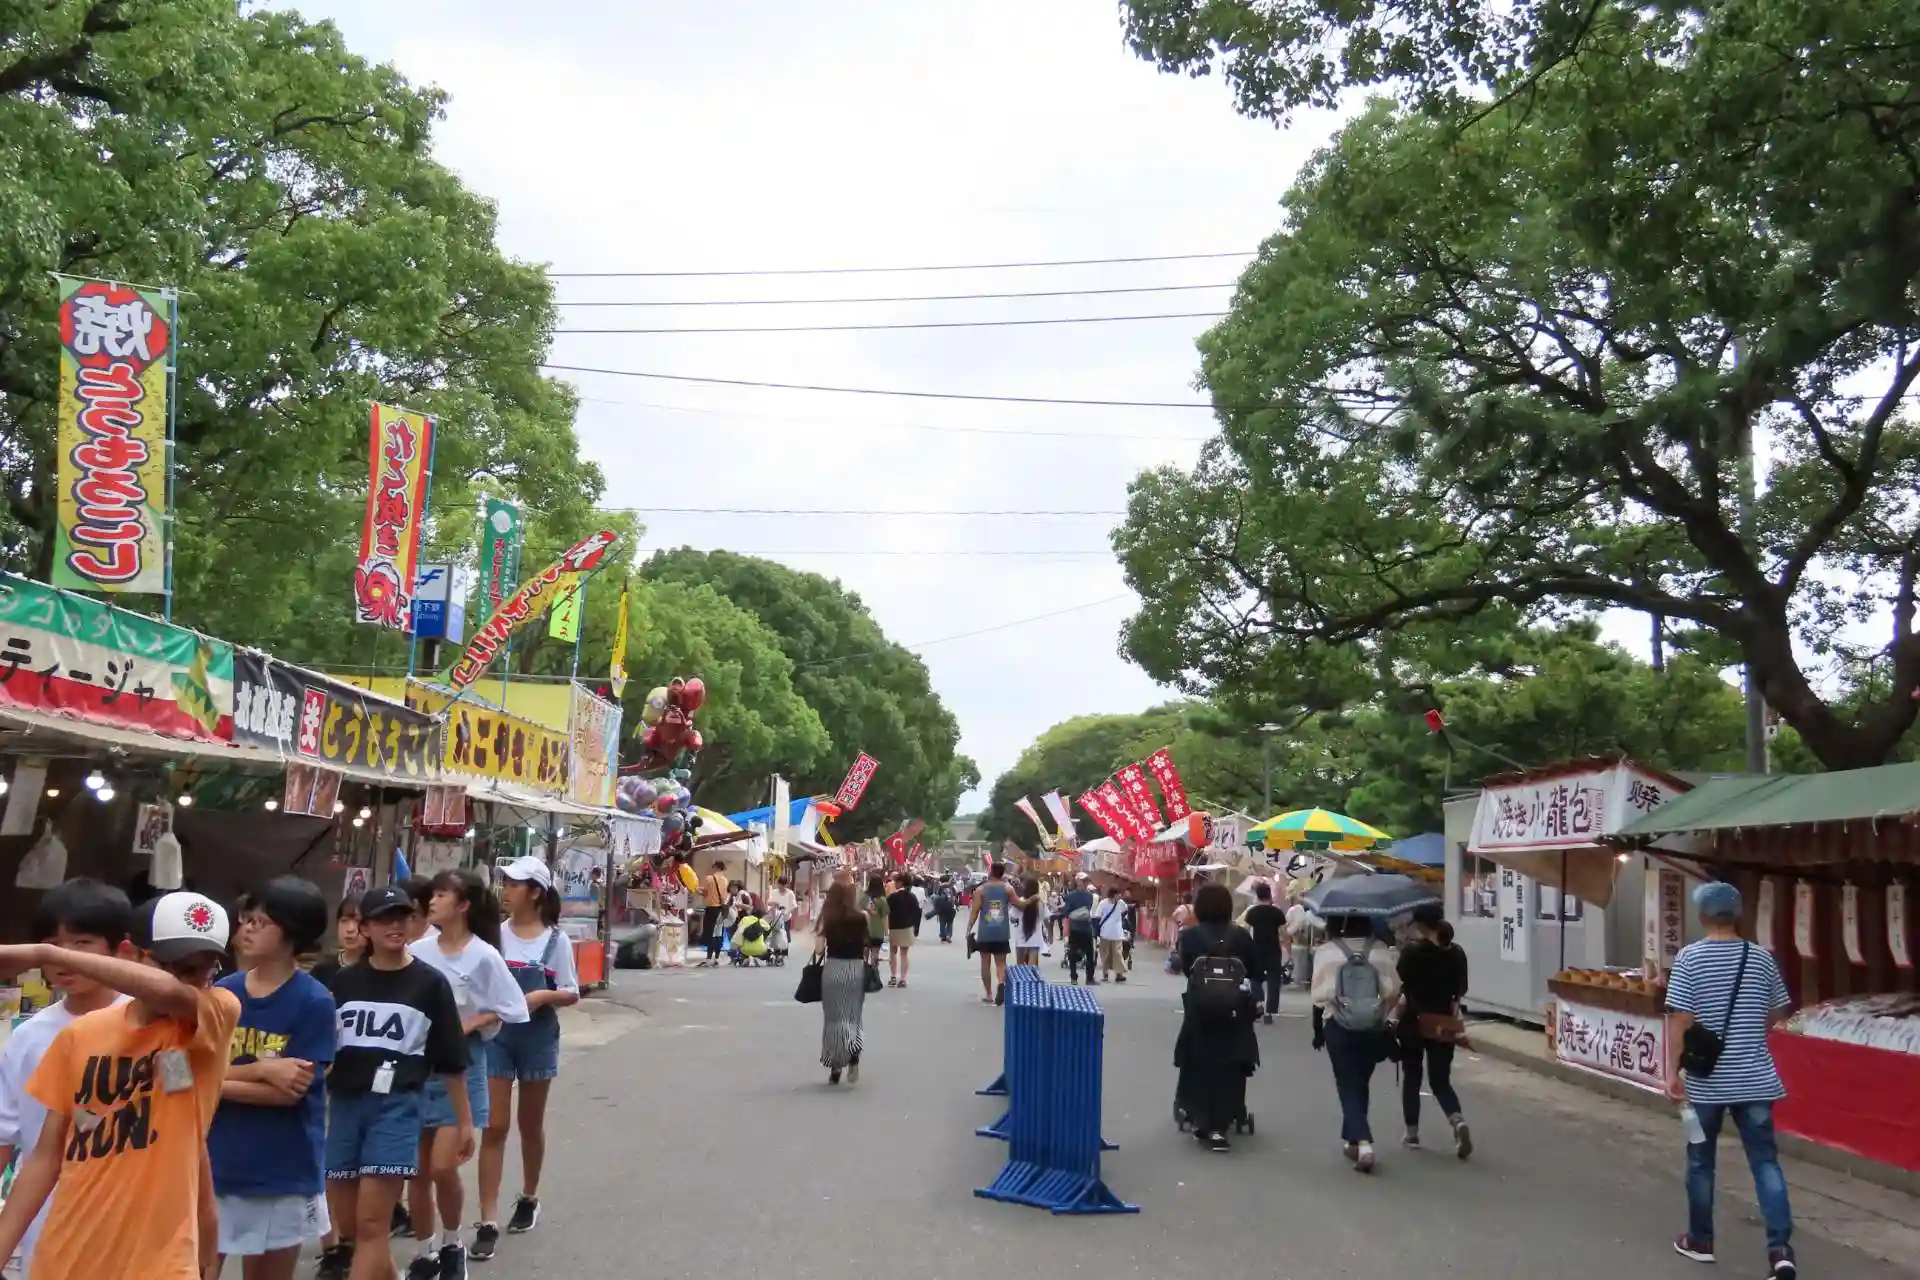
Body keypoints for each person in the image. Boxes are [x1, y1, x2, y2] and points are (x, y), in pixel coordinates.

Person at [0, 890, 242, 1280]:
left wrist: (49, 954)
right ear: (133, 955)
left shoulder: (215, 1012)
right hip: (64, 1254)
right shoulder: (81, 1035)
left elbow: (168, 993)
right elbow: (46, 1157)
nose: (191, 982)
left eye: (202, 970)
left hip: (159, 1261)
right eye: (174, 966)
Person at [322, 886, 473, 1280]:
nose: (395, 925)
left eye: (403, 917)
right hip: (344, 1106)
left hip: (397, 1107)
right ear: (366, 928)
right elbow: (322, 1051)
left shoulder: (430, 984)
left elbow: (452, 1060)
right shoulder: (343, 983)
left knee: (373, 1224)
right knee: (351, 1229)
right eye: (384, 918)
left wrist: (464, 1122)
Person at [0, 880, 133, 1280]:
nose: (64, 958)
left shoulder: (151, 1023)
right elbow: (5, 1134)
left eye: (81, 943)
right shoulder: (28, 1036)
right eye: (51, 946)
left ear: (120, 950)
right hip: (46, 1217)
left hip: (130, 1213)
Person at [1665, 882, 1797, 1279]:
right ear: (1738, 915)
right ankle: (1781, 1252)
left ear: (1702, 916)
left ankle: (1700, 1241)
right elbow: (1778, 1011)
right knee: (1765, 1162)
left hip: (1705, 1083)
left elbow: (1680, 1021)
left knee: (1700, 1161)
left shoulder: (1689, 958)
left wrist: (1672, 1072)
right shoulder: (1762, 959)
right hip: (1755, 1080)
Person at [211, 878, 338, 1280]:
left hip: (283, 1169)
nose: (246, 929)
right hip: (218, 1161)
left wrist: (212, 1083)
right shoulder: (223, 993)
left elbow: (289, 1094)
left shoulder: (314, 1001)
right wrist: (262, 1070)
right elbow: (192, 1069)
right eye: (245, 919)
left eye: (260, 922)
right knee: (195, 1267)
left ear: (291, 933)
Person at [405, 871, 529, 1280]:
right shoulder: (417, 951)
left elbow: (513, 1007)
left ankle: (452, 1242)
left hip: (462, 1066)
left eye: (442, 894)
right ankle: (425, 1252)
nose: (432, 901)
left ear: (463, 905)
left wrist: (472, 1023)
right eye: (433, 894)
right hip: (417, 1064)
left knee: (443, 1166)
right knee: (416, 1170)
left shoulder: (484, 955)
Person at [477, 858, 579, 1262]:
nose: (506, 891)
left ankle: (529, 1196)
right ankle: (487, 1220)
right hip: (497, 1035)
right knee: (494, 1124)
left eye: (514, 884)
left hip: (537, 1036)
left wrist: (541, 997)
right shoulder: (493, 937)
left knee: (530, 1123)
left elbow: (571, 991)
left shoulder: (557, 941)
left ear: (535, 892)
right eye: (504, 883)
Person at [1311, 913, 1401, 1173]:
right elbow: (1394, 990)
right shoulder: (1381, 951)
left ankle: (1364, 1144)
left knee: (1347, 1084)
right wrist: (1380, 1013)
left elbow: (1318, 997)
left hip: (1338, 1026)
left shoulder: (1326, 952)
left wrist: (1317, 1031)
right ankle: (1352, 1141)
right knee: (1360, 1082)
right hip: (1373, 1028)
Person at [1173, 883, 1259, 1153]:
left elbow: (1185, 968)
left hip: (1200, 1009)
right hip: (1235, 1011)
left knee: (1199, 1060)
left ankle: (1201, 1116)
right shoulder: (1241, 936)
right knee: (1230, 1062)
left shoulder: (1190, 936)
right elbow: (1253, 970)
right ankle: (1225, 1118)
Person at [1396, 904, 1472, 1157]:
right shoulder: (1456, 953)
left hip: (1413, 1021)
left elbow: (1400, 982)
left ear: (1419, 926)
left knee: (1412, 1077)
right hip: (1443, 1022)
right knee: (1440, 1080)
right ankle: (1457, 1119)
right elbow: (1461, 989)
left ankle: (1412, 1134)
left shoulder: (1411, 952)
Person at [813, 882, 869, 1085]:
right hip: (855, 970)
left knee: (834, 1019)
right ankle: (854, 1056)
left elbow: (819, 950)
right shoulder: (862, 916)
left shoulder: (827, 917)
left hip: (833, 970)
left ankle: (836, 1066)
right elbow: (867, 944)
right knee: (853, 1016)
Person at [1242, 882, 1289, 1023]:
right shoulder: (1277, 912)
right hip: (1273, 950)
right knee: (1274, 981)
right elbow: (1284, 933)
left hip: (1256, 950)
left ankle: (1259, 1002)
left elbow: (1245, 931)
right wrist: (1288, 949)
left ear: (1257, 895)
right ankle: (1270, 1012)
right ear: (1270, 895)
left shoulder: (1252, 912)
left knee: (1255, 978)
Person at [968, 863, 1015, 1004]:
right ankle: (1001, 984)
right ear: (1003, 873)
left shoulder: (981, 890)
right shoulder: (1008, 889)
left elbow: (975, 912)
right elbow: (1018, 903)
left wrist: (968, 929)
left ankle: (989, 994)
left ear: (990, 872)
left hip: (986, 932)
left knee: (985, 962)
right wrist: (1032, 899)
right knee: (1001, 963)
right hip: (1001, 931)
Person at [311, 897, 366, 989]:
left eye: (358, 921)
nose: (350, 929)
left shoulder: (379, 968)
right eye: (344, 921)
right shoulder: (322, 970)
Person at [1061, 875, 1098, 985]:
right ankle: (1077, 977)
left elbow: (1066, 911)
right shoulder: (1076, 895)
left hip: (1083, 927)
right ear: (1078, 882)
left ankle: (1087, 978)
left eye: (1086, 881)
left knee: (1088, 954)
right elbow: (1068, 911)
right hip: (1078, 927)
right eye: (1083, 881)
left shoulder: (1087, 896)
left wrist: (1074, 914)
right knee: (1075, 953)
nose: (1085, 883)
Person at [885, 874, 921, 988]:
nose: (894, 883)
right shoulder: (912, 897)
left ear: (901, 882)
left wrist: (886, 929)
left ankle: (893, 976)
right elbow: (917, 913)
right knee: (904, 954)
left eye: (896, 881)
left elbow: (886, 913)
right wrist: (915, 928)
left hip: (894, 927)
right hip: (907, 927)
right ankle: (903, 978)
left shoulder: (892, 897)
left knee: (893, 952)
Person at [1096, 886, 1130, 983]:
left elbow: (1125, 912)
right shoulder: (1103, 903)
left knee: (1117, 954)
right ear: (1113, 894)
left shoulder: (1121, 903)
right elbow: (1098, 916)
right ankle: (1105, 973)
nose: (1120, 896)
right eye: (1118, 894)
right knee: (1105, 954)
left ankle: (1119, 974)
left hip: (1117, 933)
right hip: (1105, 933)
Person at [698, 863, 730, 968]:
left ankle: (708, 958)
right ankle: (717, 958)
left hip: (711, 909)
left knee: (710, 934)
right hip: (721, 910)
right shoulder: (725, 880)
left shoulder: (709, 878)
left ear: (716, 867)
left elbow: (704, 892)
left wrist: (697, 890)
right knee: (718, 934)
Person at [863, 872, 890, 969]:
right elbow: (885, 917)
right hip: (877, 931)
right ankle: (874, 972)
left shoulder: (864, 898)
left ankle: (864, 971)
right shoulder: (882, 900)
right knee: (875, 953)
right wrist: (886, 932)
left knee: (864, 952)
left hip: (864, 929)